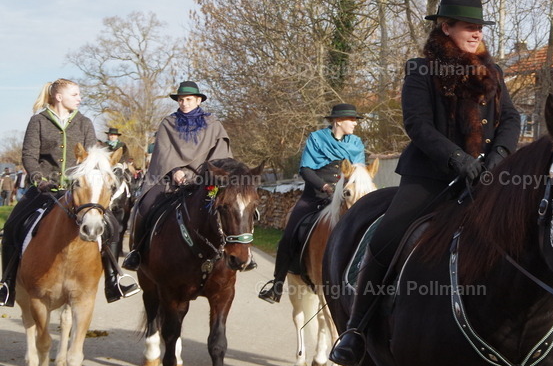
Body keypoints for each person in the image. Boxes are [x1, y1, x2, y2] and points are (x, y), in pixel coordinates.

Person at [329, 0, 521, 366]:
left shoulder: (493, 72)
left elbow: (511, 119)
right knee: (388, 237)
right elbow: (417, 124)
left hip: (487, 177)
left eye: (480, 26)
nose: (476, 33)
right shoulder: (421, 70)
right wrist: (457, 159)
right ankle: (356, 329)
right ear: (445, 27)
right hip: (431, 176)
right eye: (469, 26)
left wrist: (498, 156)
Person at [1, 79, 139, 307]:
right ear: (58, 97)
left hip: (79, 191)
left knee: (112, 226)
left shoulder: (84, 122)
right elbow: (29, 156)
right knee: (14, 224)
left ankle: (114, 282)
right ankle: (6, 284)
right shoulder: (38, 121)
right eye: (75, 94)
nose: (79, 98)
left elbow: (92, 156)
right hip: (45, 188)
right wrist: (39, 179)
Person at [258, 103, 367, 304]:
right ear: (338, 121)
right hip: (316, 196)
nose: (355, 124)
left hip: (346, 196)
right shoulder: (317, 139)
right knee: (289, 235)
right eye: (351, 120)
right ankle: (277, 284)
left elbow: (360, 171)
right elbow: (306, 170)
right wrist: (325, 186)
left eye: (355, 120)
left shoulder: (357, 143)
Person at [122, 81, 232, 271]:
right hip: (170, 177)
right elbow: (163, 151)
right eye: (181, 99)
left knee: (230, 209)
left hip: (203, 178)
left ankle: (234, 250)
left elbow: (220, 154)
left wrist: (206, 175)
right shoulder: (168, 123)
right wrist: (175, 170)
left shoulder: (213, 124)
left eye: (188, 99)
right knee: (146, 205)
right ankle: (137, 252)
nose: (184, 103)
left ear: (198, 100)